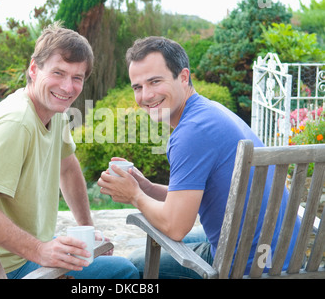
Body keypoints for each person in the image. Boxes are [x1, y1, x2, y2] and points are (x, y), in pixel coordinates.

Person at [98, 36, 300, 278]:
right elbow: (188, 198)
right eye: (138, 87)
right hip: (284, 251)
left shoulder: (190, 134)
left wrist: (134, 195)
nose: (146, 95)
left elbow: (175, 227)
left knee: (134, 264)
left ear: (183, 77)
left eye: (154, 82)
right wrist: (148, 188)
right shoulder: (210, 112)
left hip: (245, 266)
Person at [0, 22, 138, 279]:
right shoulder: (17, 123)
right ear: (34, 69)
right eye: (58, 73)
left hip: (22, 252)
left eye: (76, 77)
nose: (68, 87)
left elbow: (67, 169)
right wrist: (39, 250)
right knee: (124, 273)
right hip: (1, 267)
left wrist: (87, 229)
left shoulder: (53, 112)